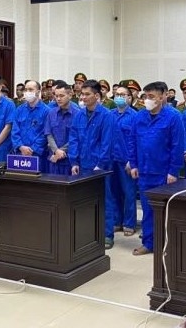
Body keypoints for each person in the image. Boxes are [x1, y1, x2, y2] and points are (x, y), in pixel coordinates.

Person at [129, 81, 184, 256]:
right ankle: (149, 243)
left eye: (151, 96)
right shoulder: (139, 116)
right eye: (145, 96)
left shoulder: (173, 117)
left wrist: (173, 171)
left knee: (166, 210)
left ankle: (167, 245)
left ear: (162, 97)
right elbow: (132, 141)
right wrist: (133, 164)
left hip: (164, 172)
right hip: (144, 171)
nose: (147, 100)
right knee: (147, 209)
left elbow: (177, 145)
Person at [68, 80, 115, 248]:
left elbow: (107, 142)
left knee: (104, 199)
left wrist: (100, 164)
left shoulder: (107, 115)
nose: (83, 97)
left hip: (100, 166)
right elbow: (73, 139)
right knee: (83, 199)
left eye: (87, 94)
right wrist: (73, 161)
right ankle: (88, 232)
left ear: (96, 95)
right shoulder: (79, 115)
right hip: (82, 164)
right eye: (82, 94)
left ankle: (107, 234)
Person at [110, 85, 137, 237]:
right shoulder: (110, 115)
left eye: (122, 94)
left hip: (126, 161)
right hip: (112, 159)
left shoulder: (134, 116)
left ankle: (129, 223)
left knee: (129, 193)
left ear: (129, 98)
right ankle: (116, 221)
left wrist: (132, 161)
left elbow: (137, 140)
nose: (119, 97)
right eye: (117, 94)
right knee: (114, 191)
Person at [11, 80, 49, 168]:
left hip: (37, 155)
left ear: (38, 92)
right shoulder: (19, 110)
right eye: (26, 90)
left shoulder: (46, 111)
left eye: (31, 90)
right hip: (20, 153)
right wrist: (20, 146)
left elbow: (45, 134)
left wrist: (32, 149)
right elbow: (14, 131)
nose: (27, 92)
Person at [44, 81, 79, 175]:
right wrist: (56, 151)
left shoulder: (78, 114)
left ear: (70, 95)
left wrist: (61, 151)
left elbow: (77, 137)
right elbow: (48, 134)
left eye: (61, 96)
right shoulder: (51, 113)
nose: (58, 99)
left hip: (70, 160)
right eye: (56, 96)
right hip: (54, 159)